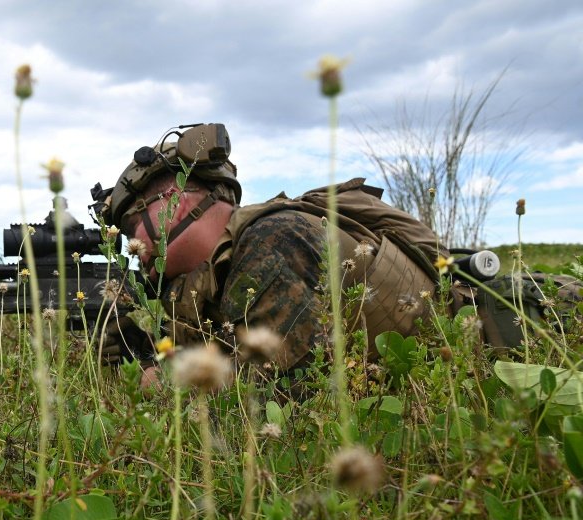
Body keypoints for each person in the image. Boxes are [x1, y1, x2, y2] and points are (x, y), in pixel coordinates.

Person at [99, 123, 453, 372]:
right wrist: (137, 340)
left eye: (130, 226)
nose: (129, 243)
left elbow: (280, 389)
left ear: (174, 199)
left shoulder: (274, 237)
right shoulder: (217, 273)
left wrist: (163, 382)